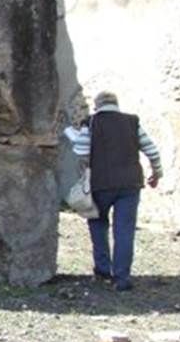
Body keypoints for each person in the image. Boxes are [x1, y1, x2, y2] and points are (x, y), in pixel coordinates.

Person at [67, 91, 163, 291]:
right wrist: (156, 173)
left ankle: (103, 270)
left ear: (97, 105)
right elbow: (152, 150)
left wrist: (84, 166)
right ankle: (122, 278)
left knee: (98, 225)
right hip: (130, 184)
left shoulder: (92, 123)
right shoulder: (132, 122)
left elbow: (81, 152)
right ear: (116, 104)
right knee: (125, 231)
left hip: (100, 184)